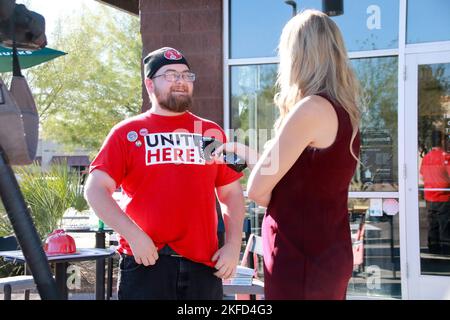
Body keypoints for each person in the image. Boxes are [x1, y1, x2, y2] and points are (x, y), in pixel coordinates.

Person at [213, 10, 361, 299]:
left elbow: (258, 190)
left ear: (298, 56)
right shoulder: (345, 112)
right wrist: (248, 154)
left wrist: (258, 169)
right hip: (326, 255)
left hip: (300, 258)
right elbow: (302, 185)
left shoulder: (310, 109)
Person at [84, 47, 245, 300]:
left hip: (204, 266)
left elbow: (231, 193)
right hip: (145, 263)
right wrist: (133, 235)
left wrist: (233, 245)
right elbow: (94, 190)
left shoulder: (207, 134)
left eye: (186, 75)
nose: (181, 81)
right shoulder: (128, 133)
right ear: (149, 83)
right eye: (170, 75)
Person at [419, 129, 450, 254]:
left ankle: (433, 249)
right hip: (444, 197)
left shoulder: (427, 157)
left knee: (433, 224)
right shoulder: (446, 157)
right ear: (442, 141)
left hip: (430, 196)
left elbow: (422, 176)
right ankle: (446, 250)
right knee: (445, 224)